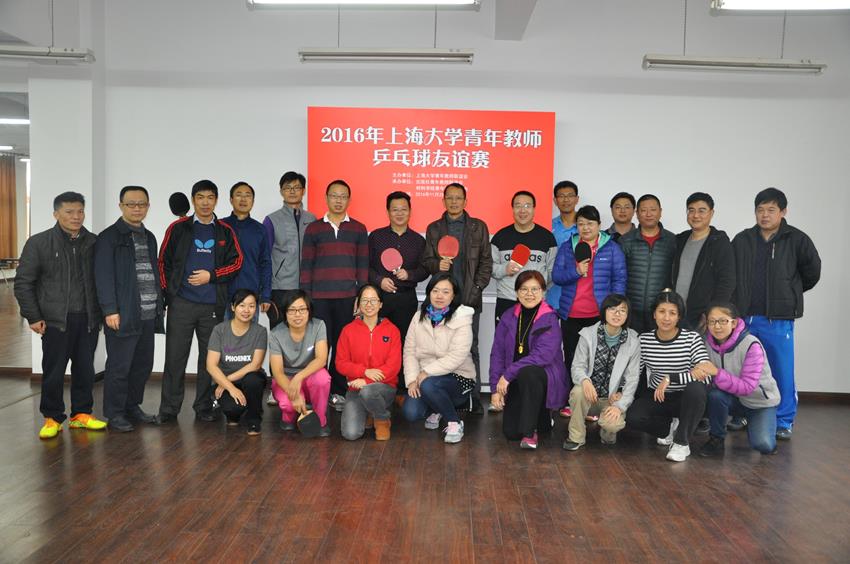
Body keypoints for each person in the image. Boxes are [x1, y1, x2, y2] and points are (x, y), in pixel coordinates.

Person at [15, 191, 107, 438]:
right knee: (54, 371)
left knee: (85, 370)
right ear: (56, 214)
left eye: (80, 211)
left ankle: (81, 414)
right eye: (69, 212)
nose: (76, 216)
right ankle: (52, 417)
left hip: (88, 319)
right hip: (55, 321)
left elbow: (103, 280)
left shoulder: (94, 242)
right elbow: (23, 283)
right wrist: (33, 316)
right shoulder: (39, 243)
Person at [731, 187, 821, 440]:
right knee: (742, 369)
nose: (765, 215)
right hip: (745, 317)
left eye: (771, 210)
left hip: (778, 319)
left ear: (783, 211)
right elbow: (731, 274)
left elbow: (812, 272)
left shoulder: (797, 239)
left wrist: (789, 292)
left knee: (781, 370)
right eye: (760, 210)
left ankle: (783, 420)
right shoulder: (743, 239)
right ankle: (742, 413)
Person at [156, 179, 243, 424]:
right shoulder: (178, 228)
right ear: (193, 200)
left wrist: (211, 276)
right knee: (175, 358)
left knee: (209, 359)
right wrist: (168, 294)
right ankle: (169, 409)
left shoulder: (225, 231)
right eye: (200, 197)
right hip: (181, 304)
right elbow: (162, 262)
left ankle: (203, 406)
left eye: (210, 197)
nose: (205, 203)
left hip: (212, 305)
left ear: (216, 200)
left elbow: (237, 262)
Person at [94, 185, 163, 432]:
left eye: (141, 204)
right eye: (131, 204)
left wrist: (159, 305)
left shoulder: (150, 237)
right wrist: (110, 310)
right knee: (119, 367)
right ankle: (114, 413)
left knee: (142, 365)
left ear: (148, 206)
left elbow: (153, 272)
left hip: (148, 313)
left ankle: (132, 406)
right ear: (121, 206)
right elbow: (103, 276)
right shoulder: (109, 237)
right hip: (122, 314)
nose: (137, 208)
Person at [422, 183, 492, 414]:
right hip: (442, 301)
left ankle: (473, 398)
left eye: (458, 198)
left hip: (470, 300)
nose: (454, 202)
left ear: (465, 201)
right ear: (443, 200)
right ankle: (443, 397)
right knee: (441, 349)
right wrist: (437, 265)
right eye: (450, 198)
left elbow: (486, 263)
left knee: (471, 348)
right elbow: (426, 261)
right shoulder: (434, 228)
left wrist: (476, 290)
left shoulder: (478, 227)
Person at [300, 179, 369, 413]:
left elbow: (362, 265)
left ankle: (337, 391)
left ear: (348, 199)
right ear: (327, 198)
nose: (338, 200)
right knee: (319, 346)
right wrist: (306, 299)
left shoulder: (358, 229)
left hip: (348, 297)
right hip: (319, 298)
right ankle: (314, 389)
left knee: (342, 347)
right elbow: (306, 265)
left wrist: (361, 296)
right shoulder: (314, 229)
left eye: (343, 196)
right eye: (334, 196)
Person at [552, 205, 627, 417]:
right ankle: (572, 401)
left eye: (590, 223)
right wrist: (576, 271)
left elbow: (620, 279)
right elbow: (557, 276)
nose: (585, 228)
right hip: (571, 314)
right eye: (581, 224)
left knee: (597, 362)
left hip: (598, 316)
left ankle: (593, 405)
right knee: (572, 359)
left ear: (599, 225)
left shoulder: (611, 248)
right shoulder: (568, 247)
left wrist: (615, 309)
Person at [625, 290, 712, 462]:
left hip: (687, 399)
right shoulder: (644, 340)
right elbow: (633, 372)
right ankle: (669, 429)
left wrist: (671, 378)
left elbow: (705, 373)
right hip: (659, 396)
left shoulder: (691, 338)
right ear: (654, 314)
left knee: (696, 389)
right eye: (662, 312)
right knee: (633, 417)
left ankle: (681, 443)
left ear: (679, 316)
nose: (666, 318)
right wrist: (621, 391)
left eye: (672, 313)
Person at [489, 271, 567, 449]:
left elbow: (543, 356)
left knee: (528, 373)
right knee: (511, 432)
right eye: (524, 289)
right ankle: (542, 420)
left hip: (543, 376)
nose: (529, 294)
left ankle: (530, 434)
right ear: (516, 292)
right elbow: (497, 353)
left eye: (535, 289)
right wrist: (495, 388)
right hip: (515, 378)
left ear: (543, 292)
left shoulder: (549, 317)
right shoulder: (508, 316)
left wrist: (507, 375)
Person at [699, 303, 780, 456]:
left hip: (758, 403)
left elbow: (748, 387)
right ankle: (716, 438)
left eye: (723, 321)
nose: (717, 326)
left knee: (764, 445)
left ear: (734, 323)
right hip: (732, 400)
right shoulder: (706, 344)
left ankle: (759, 423)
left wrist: (716, 373)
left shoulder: (751, 344)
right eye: (712, 321)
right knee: (715, 396)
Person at [402, 274, 475, 444]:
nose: (439, 296)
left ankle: (454, 422)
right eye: (435, 291)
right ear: (429, 293)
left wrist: (426, 372)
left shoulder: (461, 318)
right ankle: (438, 407)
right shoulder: (418, 317)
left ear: (453, 295)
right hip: (424, 379)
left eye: (445, 292)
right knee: (411, 413)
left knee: (429, 385)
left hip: (458, 376)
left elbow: (457, 356)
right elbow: (409, 351)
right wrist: (412, 380)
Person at [367, 191, 427, 396]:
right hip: (380, 300)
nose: (399, 213)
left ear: (410, 211)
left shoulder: (418, 240)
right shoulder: (376, 237)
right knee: (377, 343)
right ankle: (376, 386)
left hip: (406, 299)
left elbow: (424, 269)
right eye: (395, 209)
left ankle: (401, 389)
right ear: (388, 212)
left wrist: (409, 274)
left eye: (403, 209)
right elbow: (365, 267)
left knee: (404, 344)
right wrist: (379, 281)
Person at [562, 294, 640, 451]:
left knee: (612, 428)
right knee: (578, 392)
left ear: (628, 315)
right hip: (589, 395)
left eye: (622, 310)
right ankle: (576, 437)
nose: (617, 314)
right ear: (604, 311)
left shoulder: (633, 340)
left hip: (611, 399)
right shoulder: (588, 334)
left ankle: (607, 431)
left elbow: (632, 379)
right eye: (612, 309)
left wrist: (619, 405)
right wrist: (585, 381)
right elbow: (577, 366)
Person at [336, 285, 402, 441]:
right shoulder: (348, 330)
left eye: (373, 300)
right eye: (365, 300)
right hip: (355, 388)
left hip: (384, 387)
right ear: (358, 304)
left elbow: (393, 367)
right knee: (350, 434)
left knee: (368, 392)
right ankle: (370, 410)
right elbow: (340, 363)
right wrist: (364, 372)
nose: (369, 304)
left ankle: (382, 418)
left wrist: (366, 381)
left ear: (380, 304)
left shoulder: (392, 330)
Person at [269, 290, 331, 437]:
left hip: (309, 375)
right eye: (292, 310)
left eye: (302, 309)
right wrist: (294, 394)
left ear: (309, 311)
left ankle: (320, 421)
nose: (297, 314)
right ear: (285, 313)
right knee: (288, 404)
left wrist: (299, 377)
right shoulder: (276, 334)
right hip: (286, 379)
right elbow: (277, 371)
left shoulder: (318, 326)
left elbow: (321, 359)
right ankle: (289, 418)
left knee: (322, 378)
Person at [490, 190, 558, 325]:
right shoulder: (500, 237)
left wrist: (535, 290)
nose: (522, 210)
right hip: (507, 300)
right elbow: (490, 268)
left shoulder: (547, 238)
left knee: (536, 338)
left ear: (534, 209)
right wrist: (505, 269)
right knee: (505, 338)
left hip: (536, 301)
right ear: (512, 209)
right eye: (518, 206)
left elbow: (552, 272)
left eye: (527, 206)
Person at [671, 192, 735, 332]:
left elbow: (727, 281)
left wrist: (713, 313)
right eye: (691, 210)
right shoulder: (680, 240)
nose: (696, 215)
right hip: (676, 315)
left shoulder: (719, 242)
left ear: (711, 213)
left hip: (703, 317)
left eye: (702, 210)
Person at [207, 289, 268, 435]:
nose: (246, 310)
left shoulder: (260, 331)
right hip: (226, 382)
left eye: (251, 306)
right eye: (242, 305)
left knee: (253, 380)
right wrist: (230, 387)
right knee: (232, 411)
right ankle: (239, 411)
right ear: (233, 307)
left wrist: (226, 381)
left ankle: (254, 420)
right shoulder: (219, 330)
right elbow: (211, 365)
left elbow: (255, 365)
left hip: (249, 379)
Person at [263, 171, 316, 330]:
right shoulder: (271, 220)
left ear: (303, 191)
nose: (292, 191)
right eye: (287, 188)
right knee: (280, 332)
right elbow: (264, 257)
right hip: (280, 287)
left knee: (305, 334)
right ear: (281, 191)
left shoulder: (312, 219)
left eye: (296, 187)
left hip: (306, 287)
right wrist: (265, 292)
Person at [618, 194, 677, 333]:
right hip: (631, 310)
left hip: (660, 311)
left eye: (653, 210)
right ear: (637, 214)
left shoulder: (672, 241)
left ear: (660, 212)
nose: (648, 214)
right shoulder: (625, 241)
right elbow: (618, 275)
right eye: (643, 210)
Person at [221, 181, 272, 318]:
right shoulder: (221, 226)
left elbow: (265, 263)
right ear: (231, 199)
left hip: (250, 297)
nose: (243, 199)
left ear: (253, 201)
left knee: (250, 333)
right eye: (239, 195)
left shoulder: (260, 230)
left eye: (248, 195)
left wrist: (266, 295)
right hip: (223, 297)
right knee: (223, 332)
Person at [545, 180, 580, 310]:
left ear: (577, 199)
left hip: (579, 291)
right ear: (555, 200)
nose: (566, 200)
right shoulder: (548, 227)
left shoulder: (586, 227)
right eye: (561, 196)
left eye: (570, 195)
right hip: (553, 291)